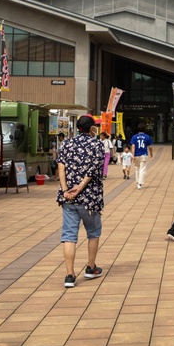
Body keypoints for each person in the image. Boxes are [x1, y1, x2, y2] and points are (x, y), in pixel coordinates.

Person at [56, 114, 106, 288]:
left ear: (78, 128)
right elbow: (93, 169)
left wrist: (65, 190)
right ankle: (90, 267)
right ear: (92, 128)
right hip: (89, 197)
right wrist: (80, 187)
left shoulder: (66, 144)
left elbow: (60, 167)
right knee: (93, 232)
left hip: (68, 198)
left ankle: (69, 275)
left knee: (69, 235)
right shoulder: (97, 144)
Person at [130, 123, 153, 189]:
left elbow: (133, 146)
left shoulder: (134, 137)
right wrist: (151, 153)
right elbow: (150, 146)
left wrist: (133, 155)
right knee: (142, 169)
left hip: (136, 155)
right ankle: (140, 183)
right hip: (143, 154)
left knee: (137, 168)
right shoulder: (147, 137)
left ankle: (137, 182)